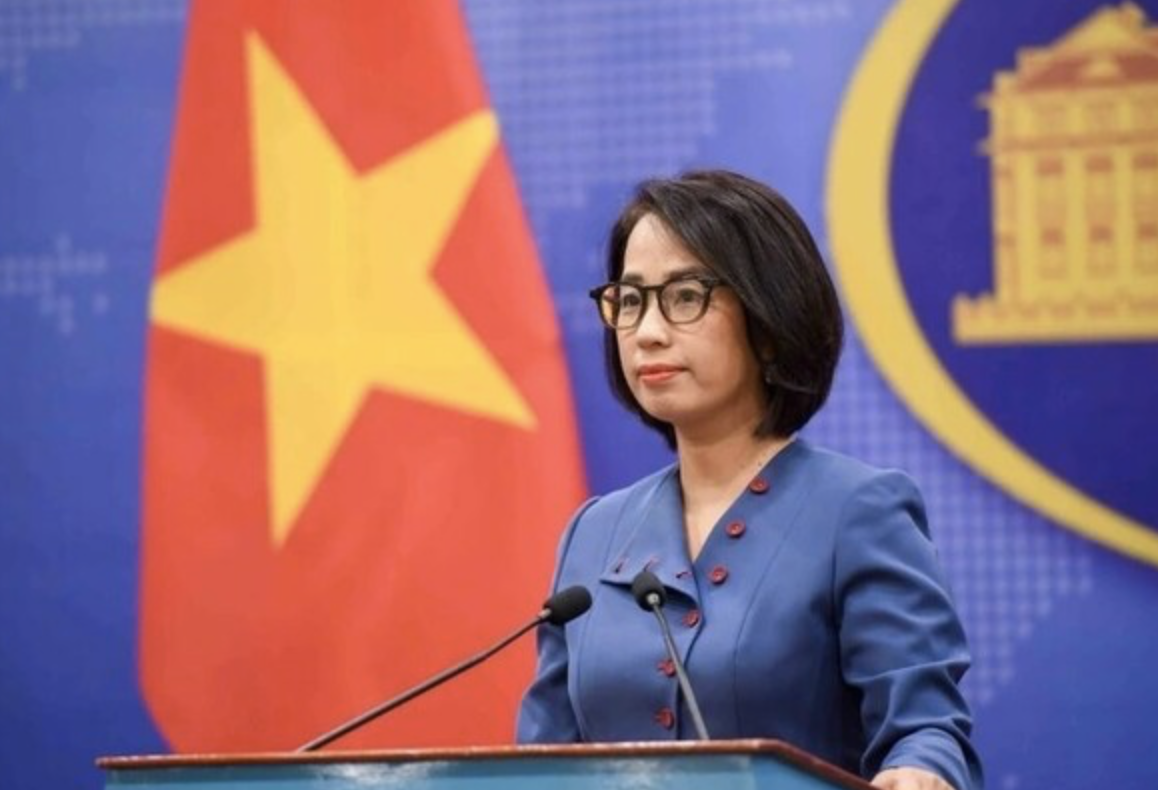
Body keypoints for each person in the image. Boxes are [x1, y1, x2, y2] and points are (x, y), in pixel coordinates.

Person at [516, 171, 983, 790]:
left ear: (768, 321)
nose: (647, 331)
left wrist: (920, 769)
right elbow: (542, 763)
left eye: (685, 296)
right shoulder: (594, 533)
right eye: (629, 301)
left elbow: (925, 726)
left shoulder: (856, 511)